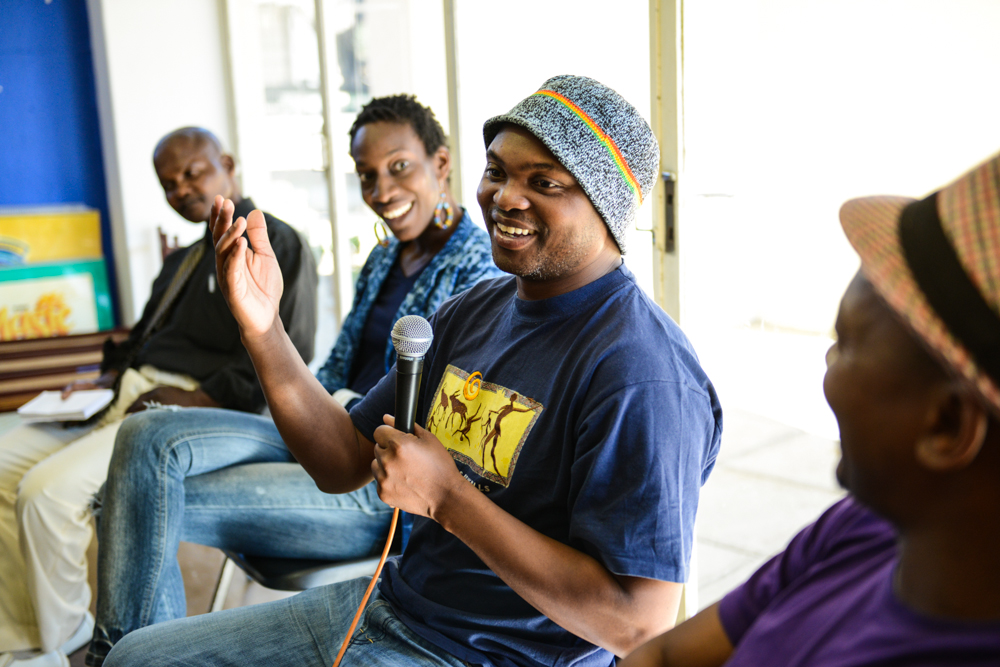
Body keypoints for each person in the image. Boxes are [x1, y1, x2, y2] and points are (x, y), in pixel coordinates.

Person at [103, 74, 722, 667]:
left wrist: (448, 498)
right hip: (393, 610)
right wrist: (264, 330)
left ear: (607, 205)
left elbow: (637, 623)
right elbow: (341, 460)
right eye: (497, 172)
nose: (505, 197)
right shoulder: (473, 311)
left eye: (544, 182)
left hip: (494, 655)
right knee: (135, 658)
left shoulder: (643, 373)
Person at [84, 96, 502, 667]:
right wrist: (299, 402)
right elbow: (333, 367)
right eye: (366, 175)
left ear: (442, 163)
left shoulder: (478, 270)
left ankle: (118, 657)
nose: (381, 189)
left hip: (373, 474)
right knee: (146, 434)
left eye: (399, 166)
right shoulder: (383, 259)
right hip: (327, 422)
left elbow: (437, 420)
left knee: (123, 500)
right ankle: (124, 657)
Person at [621, 153, 1000, 667]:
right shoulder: (866, 528)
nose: (826, 365)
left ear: (948, 425)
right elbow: (665, 656)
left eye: (845, 343)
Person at [0, 127, 317, 667]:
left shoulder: (274, 244)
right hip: (129, 395)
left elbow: (288, 355)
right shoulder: (184, 259)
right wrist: (100, 381)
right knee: (5, 462)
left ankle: (63, 643)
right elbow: (143, 339)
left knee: (46, 494)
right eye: (169, 183)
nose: (182, 189)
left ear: (227, 164)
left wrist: (193, 397)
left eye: (193, 173)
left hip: (193, 409)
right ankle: (24, 637)